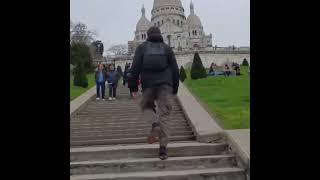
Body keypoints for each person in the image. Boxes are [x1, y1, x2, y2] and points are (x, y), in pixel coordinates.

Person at [128, 26, 179, 160]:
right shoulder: (167, 48)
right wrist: (175, 89)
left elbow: (134, 69)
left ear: (148, 35)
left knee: (146, 106)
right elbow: (175, 70)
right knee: (165, 116)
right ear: (160, 34)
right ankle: (163, 149)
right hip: (166, 86)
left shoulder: (142, 48)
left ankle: (154, 124)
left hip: (148, 85)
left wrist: (133, 88)